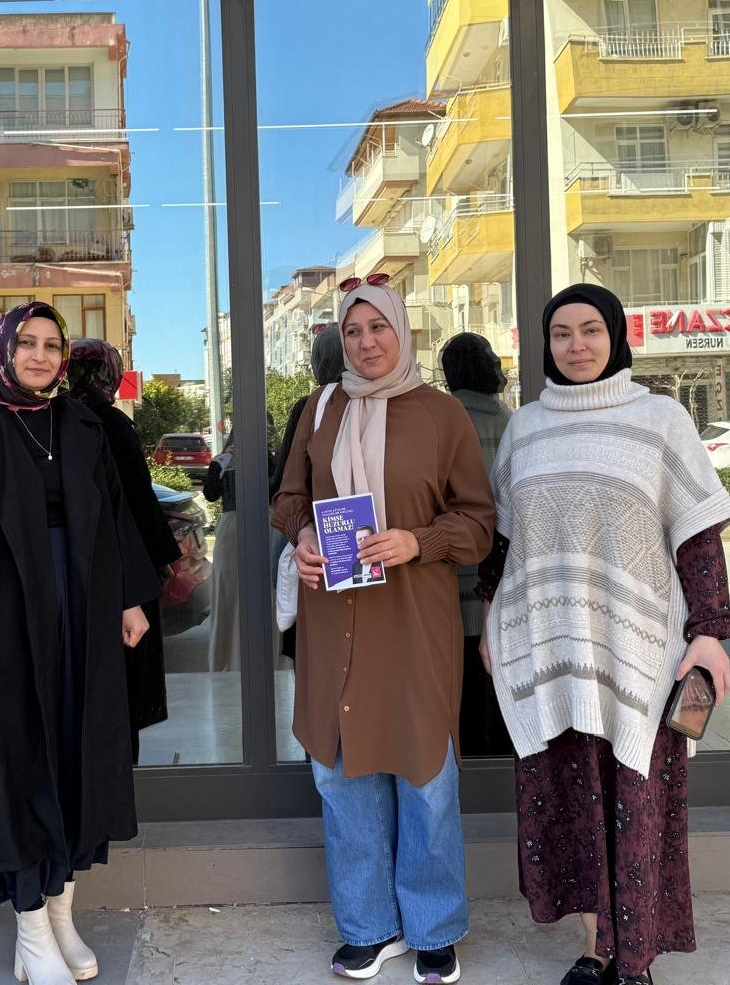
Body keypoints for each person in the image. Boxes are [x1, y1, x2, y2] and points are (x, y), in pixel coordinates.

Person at [479, 284, 730, 985]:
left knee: (636, 801)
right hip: (550, 649)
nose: (577, 345)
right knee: (576, 805)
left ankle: (636, 959)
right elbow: (504, 543)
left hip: (639, 649)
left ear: (616, 336)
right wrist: (492, 621)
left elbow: (698, 536)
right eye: (561, 333)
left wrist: (710, 631)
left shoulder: (660, 419)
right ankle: (598, 948)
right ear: (546, 345)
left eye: (591, 329)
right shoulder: (525, 428)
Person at [0, 301, 160, 985]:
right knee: (17, 759)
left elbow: (115, 517)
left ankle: (62, 914)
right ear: (4, 350)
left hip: (81, 613)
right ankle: (30, 928)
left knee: (76, 752)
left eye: (51, 345)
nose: (39, 355)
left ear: (64, 357)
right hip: (4, 620)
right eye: (26, 343)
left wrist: (129, 598)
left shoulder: (82, 425)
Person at [272, 276, 493, 984]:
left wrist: (417, 541)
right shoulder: (320, 408)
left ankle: (434, 927)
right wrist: (304, 536)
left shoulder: (441, 415)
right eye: (353, 331)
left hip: (412, 620)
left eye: (379, 328)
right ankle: (368, 926)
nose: (366, 343)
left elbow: (479, 522)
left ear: (403, 331)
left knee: (425, 773)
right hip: (333, 616)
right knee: (342, 773)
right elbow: (288, 497)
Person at [67, 337, 182, 764]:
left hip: (76, 571)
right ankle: (117, 776)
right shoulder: (111, 425)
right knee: (125, 682)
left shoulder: (58, 419)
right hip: (123, 574)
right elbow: (137, 498)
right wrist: (161, 562)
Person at [438, 332, 513, 758]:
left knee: (459, 701)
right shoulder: (512, 423)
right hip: (501, 584)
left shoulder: (440, 421)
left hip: (451, 583)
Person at [270, 327, 344, 663]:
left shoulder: (312, 405)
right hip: (353, 541)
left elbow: (285, 481)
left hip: (315, 543)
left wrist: (301, 527)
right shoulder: (322, 404)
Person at [202, 418, 274, 674]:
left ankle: (230, 658)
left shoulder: (261, 459)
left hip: (244, 525)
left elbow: (210, 494)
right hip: (250, 525)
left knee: (237, 591)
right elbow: (210, 493)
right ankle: (242, 658)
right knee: (238, 590)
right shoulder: (261, 459)